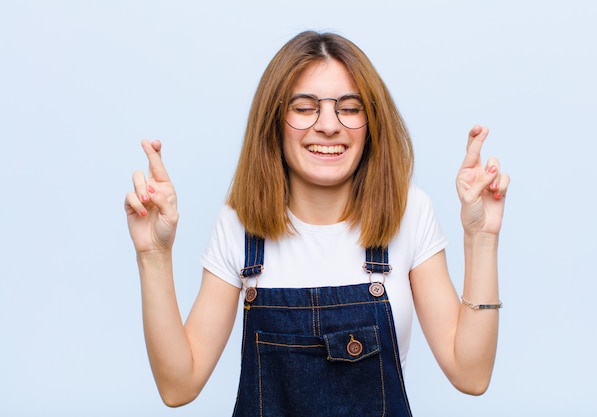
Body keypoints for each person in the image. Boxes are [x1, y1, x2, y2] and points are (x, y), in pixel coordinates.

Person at [125, 31, 510, 416]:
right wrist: (153, 254)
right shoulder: (238, 226)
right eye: (305, 107)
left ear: (371, 120)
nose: (329, 125)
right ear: (274, 119)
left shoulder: (409, 213)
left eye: (350, 107)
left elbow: (471, 375)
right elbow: (179, 386)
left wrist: (481, 237)